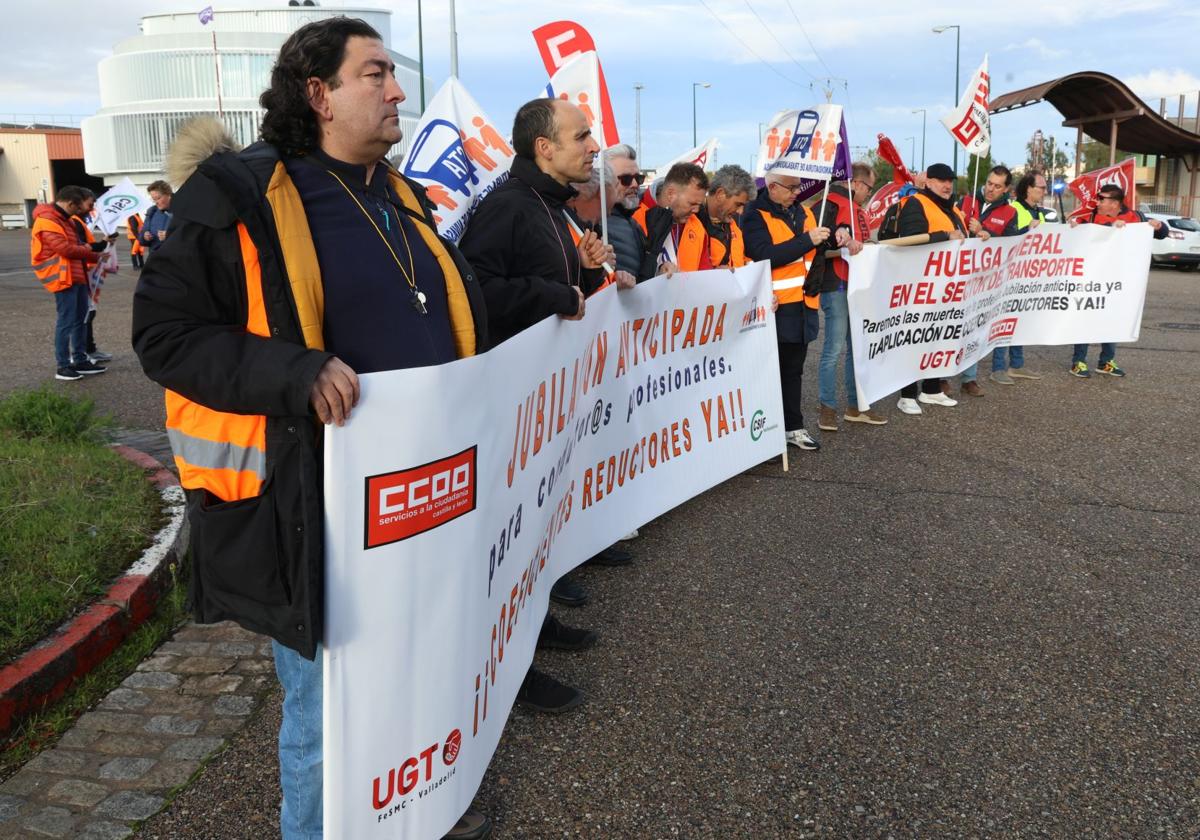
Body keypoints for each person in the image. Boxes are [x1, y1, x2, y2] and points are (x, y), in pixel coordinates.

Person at [131, 18, 492, 840]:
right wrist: (293, 374)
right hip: (310, 507)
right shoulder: (241, 195)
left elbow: (442, 312)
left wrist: (557, 300)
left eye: (393, 74)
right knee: (325, 707)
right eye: (377, 74)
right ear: (318, 93)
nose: (398, 90)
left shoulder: (399, 196)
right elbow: (165, 335)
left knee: (415, 672)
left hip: (423, 498)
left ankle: (418, 809)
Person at [460, 96, 619, 714]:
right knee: (510, 529)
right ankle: (511, 667)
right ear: (543, 147)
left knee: (539, 520)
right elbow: (478, 292)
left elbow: (556, 294)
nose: (593, 147)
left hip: (543, 400)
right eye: (581, 136)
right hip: (508, 402)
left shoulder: (550, 208)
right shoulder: (508, 207)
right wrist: (558, 289)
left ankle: (537, 619)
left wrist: (580, 275)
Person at [742, 170, 832, 451]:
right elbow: (764, 254)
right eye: (791, 187)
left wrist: (836, 236)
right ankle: (766, 432)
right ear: (772, 187)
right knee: (770, 372)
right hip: (774, 306)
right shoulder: (754, 213)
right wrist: (808, 240)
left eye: (798, 187)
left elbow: (816, 248)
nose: (797, 192)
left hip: (803, 304)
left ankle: (794, 427)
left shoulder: (804, 212)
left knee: (794, 370)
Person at [1066, 182, 1167, 378]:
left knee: (1111, 318)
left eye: (1102, 199)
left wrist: (1159, 225)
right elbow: (1076, 232)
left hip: (1120, 279)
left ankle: (1106, 361)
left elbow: (1162, 234)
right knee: (1085, 317)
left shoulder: (1135, 217)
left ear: (1115, 203)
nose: (1098, 202)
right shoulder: (1091, 216)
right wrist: (1074, 225)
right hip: (1092, 278)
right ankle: (1078, 361)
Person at [816, 162, 887, 430]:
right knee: (833, 349)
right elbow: (825, 243)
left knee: (856, 350)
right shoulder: (831, 203)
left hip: (857, 285)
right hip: (837, 284)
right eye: (868, 187)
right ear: (856, 183)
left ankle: (855, 407)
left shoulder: (857, 209)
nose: (869, 193)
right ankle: (827, 409)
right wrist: (846, 245)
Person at [894, 163, 964, 414]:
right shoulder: (917, 203)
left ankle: (932, 389)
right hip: (920, 285)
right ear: (928, 182)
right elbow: (909, 240)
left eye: (950, 180)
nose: (947, 185)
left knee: (938, 338)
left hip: (945, 288)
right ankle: (907, 394)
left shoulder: (951, 208)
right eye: (941, 180)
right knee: (916, 339)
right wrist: (945, 236)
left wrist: (979, 234)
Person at [30, 185, 112, 381]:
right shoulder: (47, 221)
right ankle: (63, 366)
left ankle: (80, 360)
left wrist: (89, 251)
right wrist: (93, 253)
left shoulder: (64, 220)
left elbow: (73, 247)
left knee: (80, 320)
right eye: (76, 208)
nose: (79, 212)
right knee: (66, 322)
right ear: (69, 203)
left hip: (74, 275)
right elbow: (65, 249)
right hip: (62, 278)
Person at [632, 162, 708, 280]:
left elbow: (704, 278)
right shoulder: (634, 219)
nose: (697, 210)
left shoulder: (697, 226)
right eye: (692, 203)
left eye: (699, 205)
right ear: (670, 194)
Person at [674, 164, 753, 272]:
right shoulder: (685, 222)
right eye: (738, 204)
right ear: (720, 194)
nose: (740, 211)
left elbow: (740, 259)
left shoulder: (734, 226)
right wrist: (713, 274)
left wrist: (748, 264)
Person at [67, 195, 115, 365]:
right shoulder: (74, 222)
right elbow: (82, 247)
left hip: (86, 270)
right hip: (82, 272)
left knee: (88, 312)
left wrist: (102, 244)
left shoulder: (79, 221)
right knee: (83, 314)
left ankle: (89, 349)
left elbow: (85, 245)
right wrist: (101, 245)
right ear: (78, 203)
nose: (91, 207)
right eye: (90, 203)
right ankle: (81, 353)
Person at [601, 144, 647, 277]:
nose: (635, 185)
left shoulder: (632, 222)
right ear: (605, 180)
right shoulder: (595, 223)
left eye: (638, 178)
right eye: (626, 179)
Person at [141, 180, 173, 255]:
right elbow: (142, 236)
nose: (156, 202)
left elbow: (191, 236)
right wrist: (145, 236)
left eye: (158, 198)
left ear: (169, 194)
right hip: (155, 260)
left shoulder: (183, 211)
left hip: (176, 260)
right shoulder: (151, 211)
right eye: (153, 199)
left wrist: (170, 236)